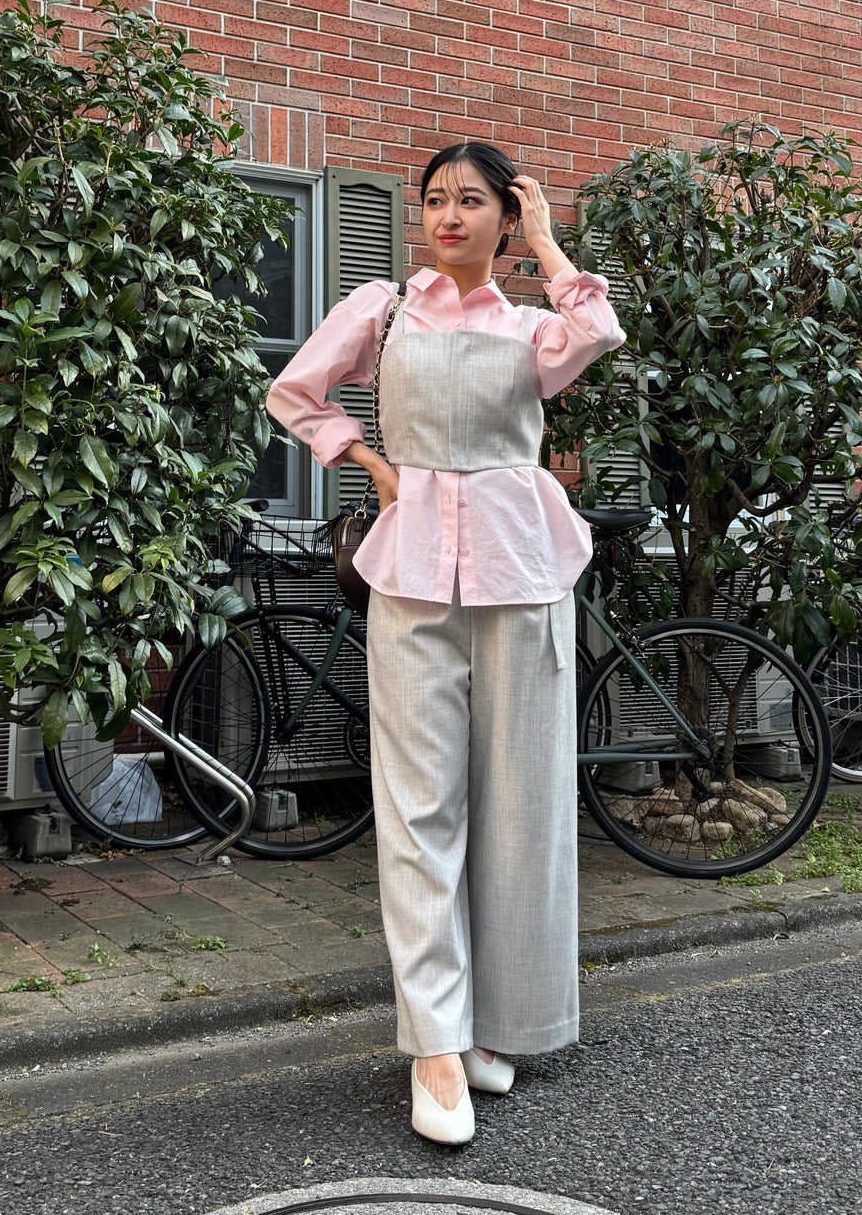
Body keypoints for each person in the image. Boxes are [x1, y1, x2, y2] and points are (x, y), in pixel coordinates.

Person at [267, 142, 625, 1144]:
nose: (450, 216)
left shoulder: (530, 326)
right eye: (435, 200)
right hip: (414, 576)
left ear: (505, 216)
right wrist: (371, 466)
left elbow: (597, 330)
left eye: (473, 200)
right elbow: (295, 393)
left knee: (522, 807)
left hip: (522, 575)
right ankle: (432, 1042)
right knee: (418, 811)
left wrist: (547, 244)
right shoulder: (381, 311)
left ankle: (493, 1025)